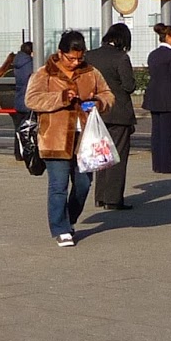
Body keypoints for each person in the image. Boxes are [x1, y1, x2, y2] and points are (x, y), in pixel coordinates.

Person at [25, 30, 114, 247]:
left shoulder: (91, 72)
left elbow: (107, 94)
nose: (75, 62)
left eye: (79, 58)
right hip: (54, 138)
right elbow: (31, 99)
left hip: (85, 139)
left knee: (84, 184)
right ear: (60, 52)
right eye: (70, 58)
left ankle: (69, 219)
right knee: (58, 185)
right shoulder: (44, 73)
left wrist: (99, 103)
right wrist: (61, 98)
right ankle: (60, 228)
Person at [86, 24, 137, 209]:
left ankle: (100, 196)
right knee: (117, 156)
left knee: (101, 154)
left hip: (97, 112)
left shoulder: (89, 56)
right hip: (119, 113)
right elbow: (129, 85)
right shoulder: (121, 57)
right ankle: (113, 199)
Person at [142, 23, 171, 174]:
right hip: (170, 99)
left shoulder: (153, 54)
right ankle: (168, 164)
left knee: (156, 133)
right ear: (168, 37)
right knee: (168, 134)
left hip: (154, 97)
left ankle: (157, 164)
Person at [0, 41, 35, 130]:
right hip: (19, 100)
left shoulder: (11, 68)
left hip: (7, 101)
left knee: (19, 127)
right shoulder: (29, 65)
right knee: (26, 127)